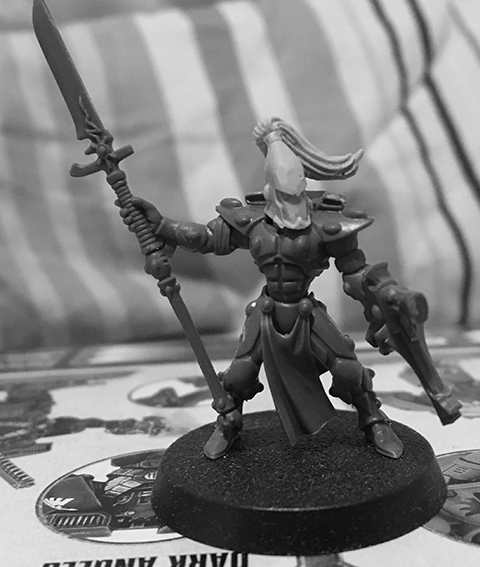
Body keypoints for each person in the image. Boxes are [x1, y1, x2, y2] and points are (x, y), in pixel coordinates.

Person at [120, 116, 406, 460]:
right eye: (283, 194)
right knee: (240, 374)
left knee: (348, 369)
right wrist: (164, 226)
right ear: (269, 190)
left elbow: (356, 275)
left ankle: (373, 419)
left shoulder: (326, 224)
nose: (291, 203)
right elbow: (205, 238)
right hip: (266, 310)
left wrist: (382, 309)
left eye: (296, 193)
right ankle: (228, 422)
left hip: (306, 311)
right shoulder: (254, 222)